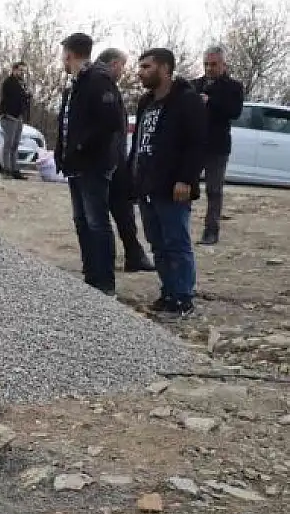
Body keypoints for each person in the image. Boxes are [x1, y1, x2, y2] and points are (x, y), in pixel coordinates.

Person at [130, 48, 207, 317]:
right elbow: (138, 144)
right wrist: (133, 178)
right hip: (147, 184)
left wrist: (186, 179)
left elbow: (197, 144)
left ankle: (183, 297)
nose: (140, 72)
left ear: (165, 69)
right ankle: (168, 292)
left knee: (177, 242)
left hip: (173, 186)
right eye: (140, 66)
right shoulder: (145, 103)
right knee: (158, 244)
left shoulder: (187, 100)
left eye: (146, 67)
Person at [55, 32, 125, 296]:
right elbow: (66, 124)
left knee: (97, 222)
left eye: (63, 55)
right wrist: (63, 154)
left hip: (93, 166)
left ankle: (105, 284)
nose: (62, 60)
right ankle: (90, 278)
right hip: (75, 166)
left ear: (70, 54)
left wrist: (81, 147)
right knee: (82, 221)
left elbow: (111, 123)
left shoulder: (98, 80)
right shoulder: (75, 84)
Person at [95, 47, 155, 273]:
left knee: (121, 210)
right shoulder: (103, 85)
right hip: (111, 161)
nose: (123, 71)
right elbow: (109, 127)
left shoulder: (101, 83)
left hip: (113, 158)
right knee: (116, 210)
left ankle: (133, 253)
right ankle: (127, 256)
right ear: (113, 64)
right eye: (122, 65)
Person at [191, 45, 244, 245]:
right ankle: (180, 227)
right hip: (194, 145)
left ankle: (211, 231)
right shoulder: (194, 85)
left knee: (214, 190)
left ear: (224, 64)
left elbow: (234, 112)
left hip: (217, 146)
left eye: (213, 64)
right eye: (206, 64)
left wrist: (210, 102)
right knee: (185, 186)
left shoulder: (233, 87)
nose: (209, 68)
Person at [0, 61, 31, 179]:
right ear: (14, 70)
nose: (22, 73)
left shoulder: (22, 83)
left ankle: (15, 170)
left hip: (18, 117)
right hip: (9, 116)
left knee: (15, 144)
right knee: (8, 144)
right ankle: (6, 170)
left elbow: (24, 99)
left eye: (24, 71)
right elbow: (12, 98)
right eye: (20, 70)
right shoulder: (9, 82)